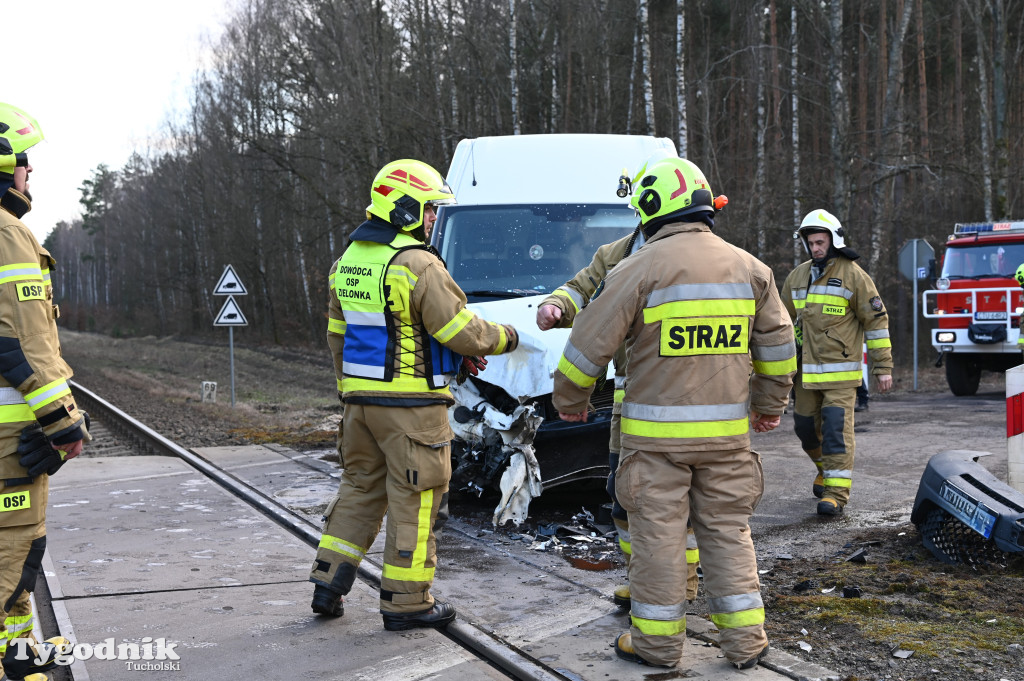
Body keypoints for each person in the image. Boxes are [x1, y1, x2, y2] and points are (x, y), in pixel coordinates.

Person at [552, 157, 795, 669]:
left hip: (655, 444)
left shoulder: (637, 267)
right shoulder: (752, 269)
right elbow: (778, 348)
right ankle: (747, 643)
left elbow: (588, 344)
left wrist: (569, 402)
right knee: (729, 534)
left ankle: (657, 646)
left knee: (659, 539)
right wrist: (770, 407)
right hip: (729, 441)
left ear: (651, 209)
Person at [308, 159, 519, 632]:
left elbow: (337, 336)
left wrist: (349, 393)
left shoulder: (346, 264)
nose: (432, 220)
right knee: (416, 499)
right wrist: (508, 337)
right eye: (427, 210)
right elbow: (460, 331)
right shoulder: (417, 264)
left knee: (359, 489)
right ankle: (406, 603)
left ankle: (328, 583)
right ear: (403, 208)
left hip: (359, 407)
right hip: (411, 412)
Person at [536, 152, 703, 609]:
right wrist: (557, 304)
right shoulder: (618, 253)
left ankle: (681, 587)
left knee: (673, 507)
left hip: (676, 399)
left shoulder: (690, 257)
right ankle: (642, 581)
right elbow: (582, 285)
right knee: (622, 496)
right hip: (628, 406)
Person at [0, 103, 89, 681]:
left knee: (19, 556)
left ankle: (16, 650)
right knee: (12, 552)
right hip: (8, 442)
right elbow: (25, 343)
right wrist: (64, 423)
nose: (31, 176)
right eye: (26, 164)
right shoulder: (8, 234)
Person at [781, 209, 893, 516]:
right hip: (805, 374)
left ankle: (835, 493)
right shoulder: (797, 277)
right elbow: (778, 323)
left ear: (834, 241)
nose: (815, 248)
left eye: (820, 242)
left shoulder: (855, 276)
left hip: (841, 377)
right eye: (811, 243)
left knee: (835, 432)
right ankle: (824, 470)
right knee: (805, 429)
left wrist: (883, 368)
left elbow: (876, 323)